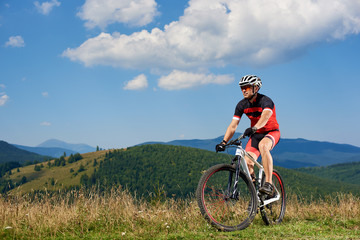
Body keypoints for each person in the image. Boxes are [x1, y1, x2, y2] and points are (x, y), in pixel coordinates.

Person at [215, 75, 280, 196]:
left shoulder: (265, 101)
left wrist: (255, 127)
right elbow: (233, 125)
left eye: (247, 87)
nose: (244, 90)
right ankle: (256, 194)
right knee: (248, 162)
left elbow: (265, 117)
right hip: (255, 135)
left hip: (271, 132)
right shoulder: (242, 105)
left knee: (263, 146)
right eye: (242, 88)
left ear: (256, 88)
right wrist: (223, 142)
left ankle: (269, 184)